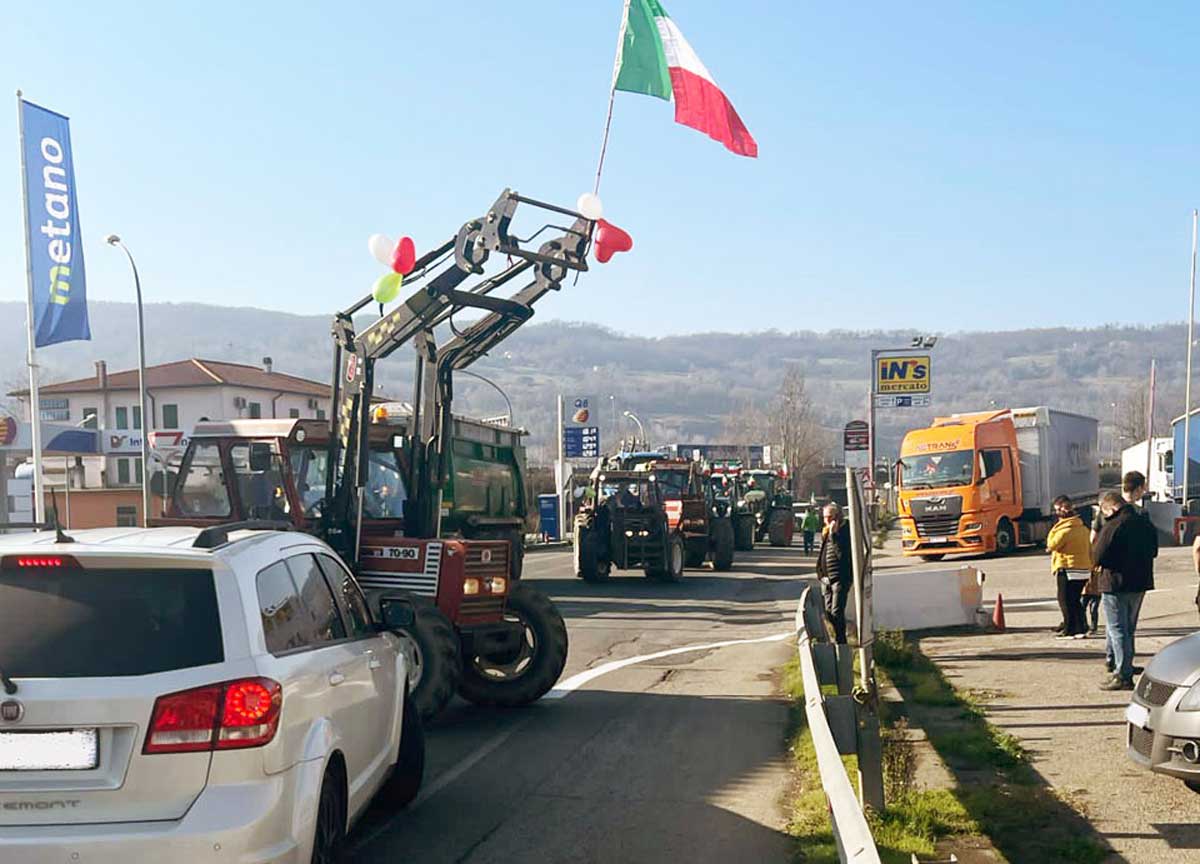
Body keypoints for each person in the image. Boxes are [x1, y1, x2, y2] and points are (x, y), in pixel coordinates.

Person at [1092, 490, 1158, 690]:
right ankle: (1120, 664)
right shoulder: (1144, 523)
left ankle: (1122, 674)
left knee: (1117, 628)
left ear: (1111, 507)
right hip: (1140, 582)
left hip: (1115, 582)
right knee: (1129, 628)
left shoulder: (1112, 526)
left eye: (1104, 511)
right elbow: (1154, 551)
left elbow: (1097, 556)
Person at [1046, 496, 1092, 639]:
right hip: (1083, 568)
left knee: (1064, 599)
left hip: (1067, 568)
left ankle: (1070, 629)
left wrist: (1054, 529)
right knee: (1075, 599)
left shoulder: (1064, 530)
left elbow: (1052, 544)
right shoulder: (1083, 528)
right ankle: (1081, 627)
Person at [816, 502, 852, 644]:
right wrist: (819, 573)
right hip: (826, 579)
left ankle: (841, 642)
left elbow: (842, 555)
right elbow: (822, 555)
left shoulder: (844, 532)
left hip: (840, 578)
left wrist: (834, 535)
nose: (827, 521)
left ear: (838, 517)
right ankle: (839, 636)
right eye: (825, 517)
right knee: (828, 612)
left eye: (830, 517)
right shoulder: (826, 532)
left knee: (837, 612)